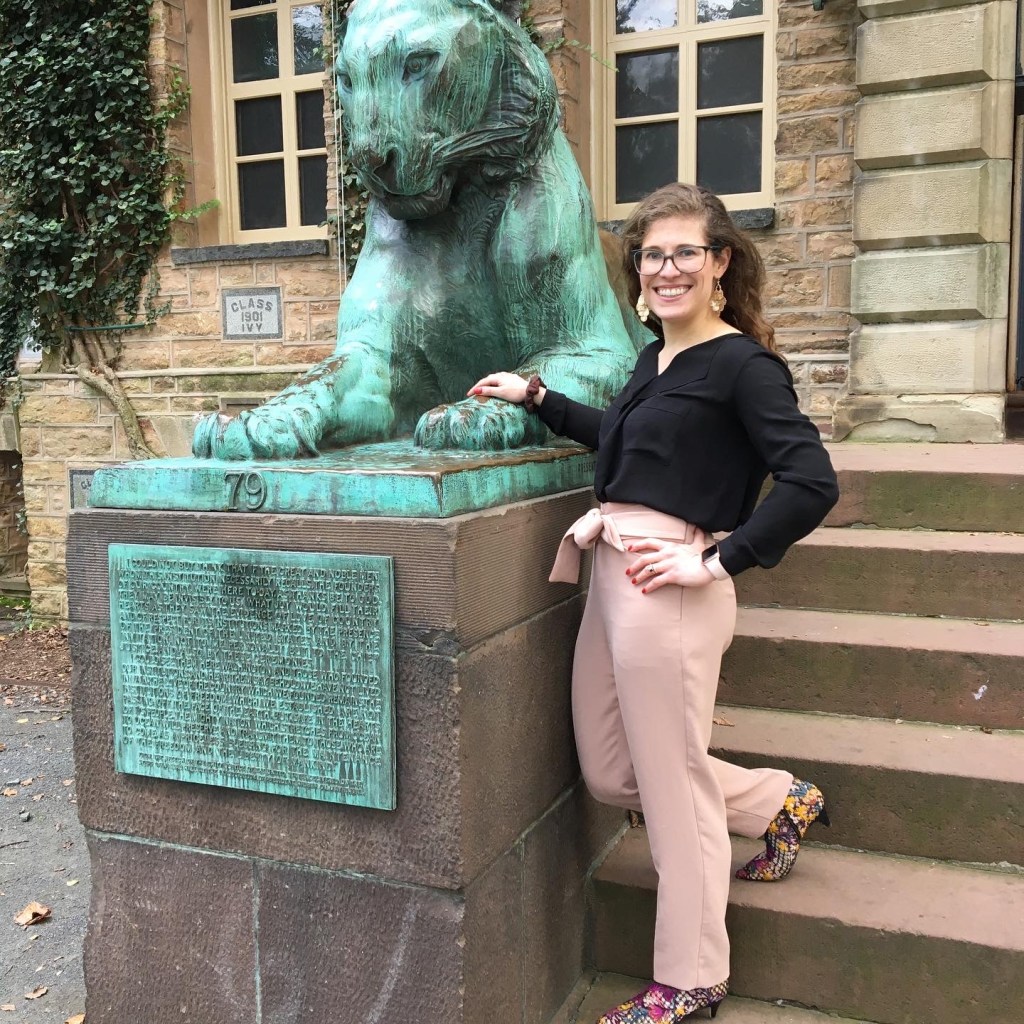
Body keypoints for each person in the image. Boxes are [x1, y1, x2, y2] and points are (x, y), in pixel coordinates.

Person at [468, 182, 839, 1023]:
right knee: (613, 771)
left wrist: (716, 559)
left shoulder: (744, 366)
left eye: (684, 253)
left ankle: (691, 976)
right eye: (651, 255)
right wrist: (538, 399)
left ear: (721, 263)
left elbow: (812, 482)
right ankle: (778, 801)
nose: (666, 269)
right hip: (613, 575)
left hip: (669, 588)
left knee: (674, 792)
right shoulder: (657, 358)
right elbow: (627, 441)